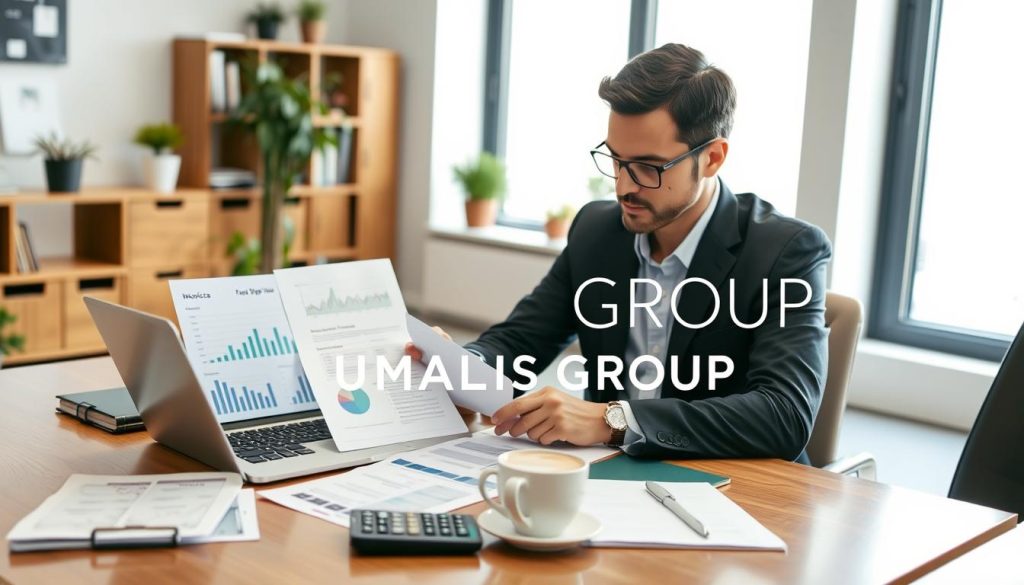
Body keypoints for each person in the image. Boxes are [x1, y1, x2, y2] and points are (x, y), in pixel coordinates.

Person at [409, 43, 831, 462]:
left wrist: (613, 420)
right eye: (615, 159)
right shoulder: (598, 231)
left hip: (735, 488)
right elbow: (520, 340)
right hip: (606, 477)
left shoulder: (786, 252)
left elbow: (784, 415)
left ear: (713, 158)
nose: (624, 186)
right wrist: (460, 366)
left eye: (648, 167)